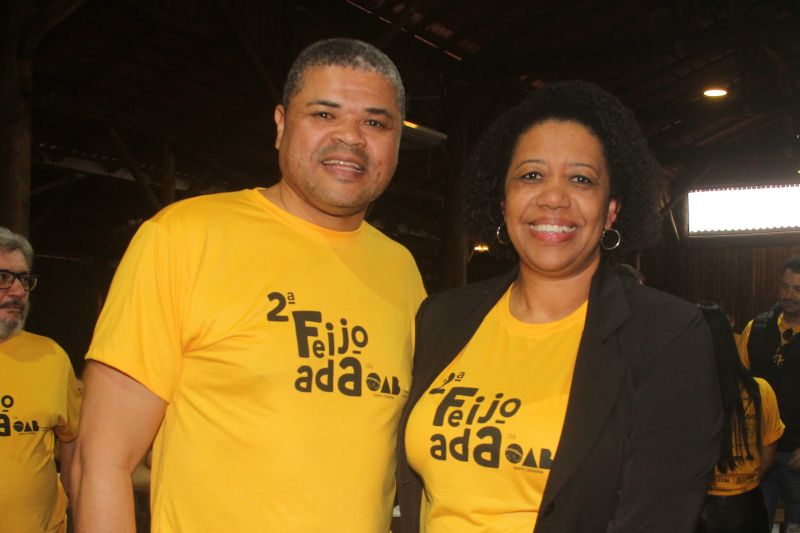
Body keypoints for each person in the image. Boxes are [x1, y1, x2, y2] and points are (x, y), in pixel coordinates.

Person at [72, 38, 425, 533]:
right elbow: (100, 462)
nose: (350, 137)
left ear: (396, 142)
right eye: (324, 114)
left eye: (375, 123)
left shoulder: (402, 270)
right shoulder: (185, 237)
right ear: (281, 125)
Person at [396, 81, 722, 533]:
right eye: (531, 176)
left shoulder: (667, 334)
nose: (553, 197)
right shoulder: (443, 317)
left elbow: (656, 517)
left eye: (581, 179)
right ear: (503, 201)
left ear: (611, 210)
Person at [0, 226, 81, 533]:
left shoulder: (51, 357)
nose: (18, 291)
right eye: (3, 278)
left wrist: (76, 504)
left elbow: (72, 439)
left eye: (24, 279)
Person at [695, 302, 783, 533]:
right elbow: (768, 453)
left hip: (700, 507)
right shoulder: (761, 390)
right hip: (750, 507)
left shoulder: (687, 395)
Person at [738, 256, 800, 532]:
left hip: (796, 453)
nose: (789, 295)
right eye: (785, 287)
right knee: (756, 523)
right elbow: (738, 388)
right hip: (757, 452)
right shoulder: (756, 329)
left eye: (798, 289)